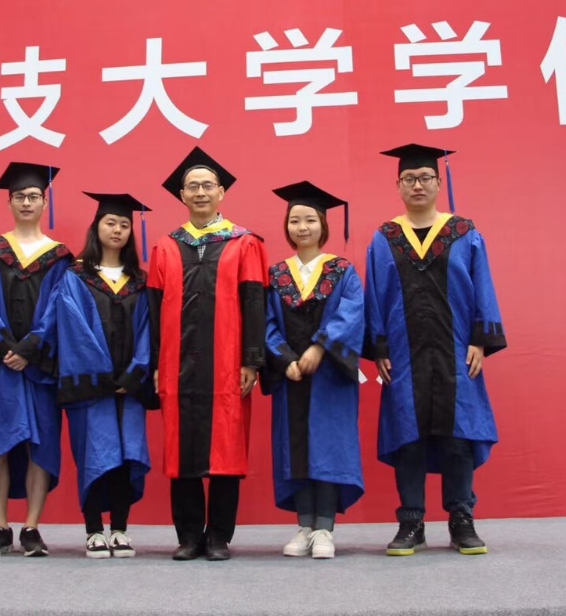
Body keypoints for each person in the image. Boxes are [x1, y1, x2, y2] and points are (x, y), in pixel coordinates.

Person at [364, 144, 507, 557]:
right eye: (409, 179)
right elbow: (375, 294)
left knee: (458, 434)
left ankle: (461, 519)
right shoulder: (385, 237)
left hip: (456, 349)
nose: (418, 185)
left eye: (425, 178)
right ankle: (411, 522)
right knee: (407, 435)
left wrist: (480, 339)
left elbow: (483, 285)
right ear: (398, 185)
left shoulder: (464, 232)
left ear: (439, 183)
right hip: (404, 353)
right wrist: (378, 347)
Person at [147, 146, 267, 561]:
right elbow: (153, 311)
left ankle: (218, 536)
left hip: (227, 363)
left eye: (207, 186)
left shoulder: (244, 243)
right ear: (182, 195)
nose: (200, 192)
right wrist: (156, 364)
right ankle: (188, 536)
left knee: (226, 450)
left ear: (221, 192)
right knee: (180, 451)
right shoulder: (165, 246)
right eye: (193, 186)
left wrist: (252, 359)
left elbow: (255, 303)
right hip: (176, 364)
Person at [31, 192, 155, 558]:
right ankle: (93, 529)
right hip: (90, 385)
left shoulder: (140, 281)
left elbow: (149, 332)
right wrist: (101, 374)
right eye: (110, 223)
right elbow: (73, 328)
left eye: (124, 225)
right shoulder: (76, 277)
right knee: (93, 454)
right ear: (96, 227)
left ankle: (119, 528)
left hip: (129, 385)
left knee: (127, 454)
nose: (117, 230)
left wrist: (134, 374)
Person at [0, 162, 71, 558]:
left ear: (45, 202)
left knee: (39, 443)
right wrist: (6, 346)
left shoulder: (60, 257)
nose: (27, 202)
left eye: (34, 196)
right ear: (9, 202)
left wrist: (29, 349)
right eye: (20, 197)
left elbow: (60, 307)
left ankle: (31, 527)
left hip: (39, 365)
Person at [262, 181, 365, 560]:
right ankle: (305, 525)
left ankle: (325, 528)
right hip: (292, 378)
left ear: (323, 224)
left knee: (329, 448)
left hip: (330, 378)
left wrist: (321, 346)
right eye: (295, 220)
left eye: (309, 220)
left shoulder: (342, 270)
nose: (302, 227)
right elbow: (266, 323)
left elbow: (352, 312)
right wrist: (285, 359)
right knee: (297, 450)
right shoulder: (276, 274)